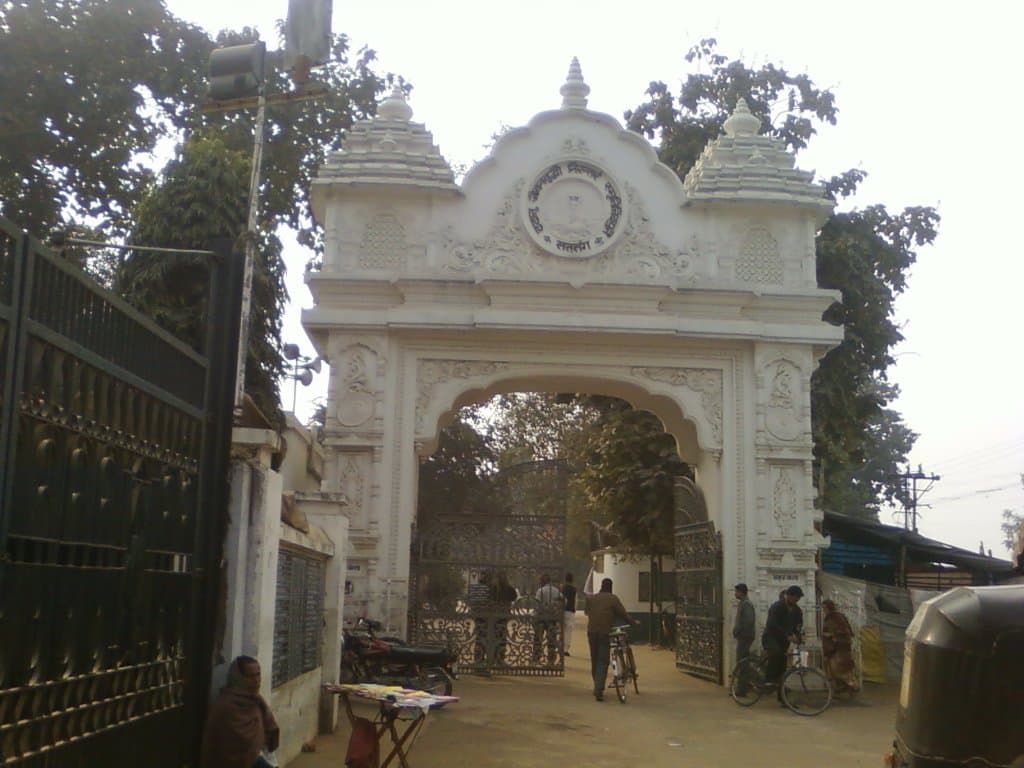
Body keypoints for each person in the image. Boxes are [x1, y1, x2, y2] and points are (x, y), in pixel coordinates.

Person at [200, 656, 280, 768]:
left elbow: (264, 739)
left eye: (258, 674)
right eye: (250, 676)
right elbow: (229, 749)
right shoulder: (225, 706)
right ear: (238, 678)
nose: (256, 680)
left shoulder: (256, 701)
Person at [584, 577, 636, 701]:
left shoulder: (593, 598)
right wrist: (633, 622)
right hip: (604, 632)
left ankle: (597, 685)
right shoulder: (613, 599)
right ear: (611, 587)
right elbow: (623, 613)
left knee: (595, 659)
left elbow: (587, 612)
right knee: (602, 660)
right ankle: (598, 689)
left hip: (591, 632)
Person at [762, 585, 804, 701]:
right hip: (771, 637)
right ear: (789, 596)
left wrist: (799, 637)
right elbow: (772, 624)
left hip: (783, 641)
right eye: (796, 597)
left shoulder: (797, 611)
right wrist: (787, 635)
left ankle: (782, 698)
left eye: (799, 598)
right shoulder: (777, 607)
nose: (797, 600)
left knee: (782, 669)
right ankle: (768, 680)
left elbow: (798, 626)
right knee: (775, 654)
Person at [821, 599, 860, 692]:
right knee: (846, 669)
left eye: (824, 608)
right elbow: (848, 631)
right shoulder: (840, 616)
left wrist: (828, 649)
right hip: (845, 646)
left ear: (827, 608)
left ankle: (852, 685)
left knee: (838, 670)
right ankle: (847, 686)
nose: (823, 610)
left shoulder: (830, 619)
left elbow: (830, 634)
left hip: (837, 648)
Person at [533, 573, 564, 663]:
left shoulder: (540, 590)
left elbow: (537, 605)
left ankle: (536, 658)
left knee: (538, 639)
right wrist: (556, 608)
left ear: (542, 581)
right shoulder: (556, 591)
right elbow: (564, 600)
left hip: (541, 618)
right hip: (552, 618)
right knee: (551, 640)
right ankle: (551, 659)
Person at [732, 583, 756, 662]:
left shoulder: (746, 604)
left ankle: (743, 673)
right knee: (742, 657)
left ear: (740, 592)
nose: (735, 594)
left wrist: (739, 630)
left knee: (741, 659)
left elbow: (749, 621)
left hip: (745, 636)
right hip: (744, 635)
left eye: (736, 592)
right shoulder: (742, 603)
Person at [562, 572, 578, 656]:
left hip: (562, 611)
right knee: (568, 630)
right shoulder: (574, 589)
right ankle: (565, 649)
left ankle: (560, 646)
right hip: (570, 611)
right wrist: (574, 609)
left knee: (561, 630)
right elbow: (575, 601)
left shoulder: (562, 588)